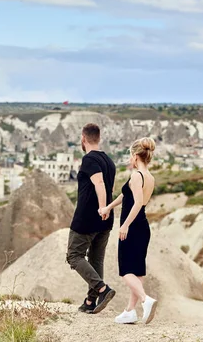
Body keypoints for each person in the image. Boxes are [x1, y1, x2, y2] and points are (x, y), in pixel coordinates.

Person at [99, 137, 158, 325]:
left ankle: (145, 300)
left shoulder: (136, 175)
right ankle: (129, 312)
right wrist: (108, 207)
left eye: (130, 156)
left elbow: (138, 202)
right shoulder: (149, 177)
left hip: (132, 226)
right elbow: (126, 195)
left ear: (135, 156)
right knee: (137, 270)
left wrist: (124, 225)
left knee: (125, 270)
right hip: (143, 226)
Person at [67, 123, 117, 314]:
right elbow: (111, 188)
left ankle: (103, 290)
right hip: (106, 220)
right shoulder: (109, 162)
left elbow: (100, 184)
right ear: (99, 138)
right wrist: (106, 210)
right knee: (96, 260)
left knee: (74, 255)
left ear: (83, 138)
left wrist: (101, 208)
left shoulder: (89, 160)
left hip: (88, 218)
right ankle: (90, 301)